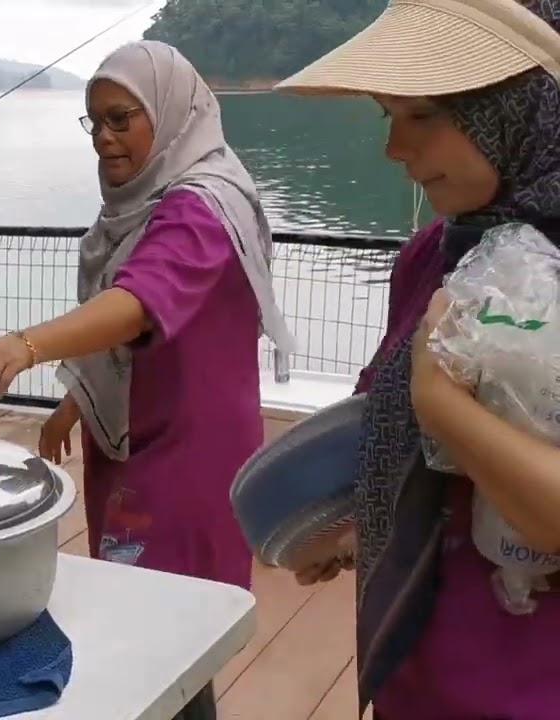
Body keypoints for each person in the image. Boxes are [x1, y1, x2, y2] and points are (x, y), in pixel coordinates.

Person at [0, 41, 294, 720]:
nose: (105, 137)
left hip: (189, 453)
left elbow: (138, 302)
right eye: (95, 120)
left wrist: (25, 344)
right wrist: (75, 404)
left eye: (121, 118)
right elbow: (128, 339)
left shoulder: (201, 206)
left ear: (169, 115)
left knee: (175, 630)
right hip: (134, 440)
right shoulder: (145, 205)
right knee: (140, 618)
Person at [277, 0, 560, 717]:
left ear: (516, 110)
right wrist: (354, 521)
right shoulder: (433, 254)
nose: (394, 149)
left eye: (423, 115)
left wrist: (441, 405)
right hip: (416, 663)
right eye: (388, 116)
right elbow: (387, 426)